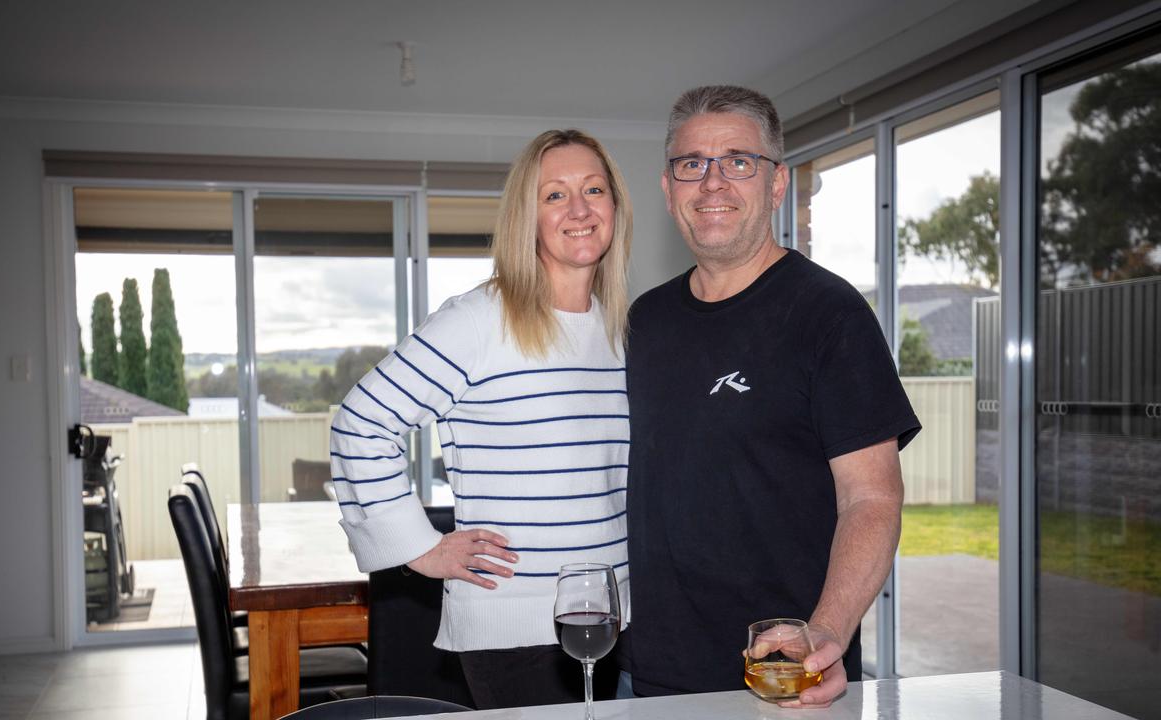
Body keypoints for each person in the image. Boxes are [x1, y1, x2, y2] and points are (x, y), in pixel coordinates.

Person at [620, 85, 921, 707]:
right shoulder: (644, 321)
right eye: (691, 164)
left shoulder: (829, 314)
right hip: (646, 668)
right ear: (668, 187)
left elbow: (872, 497)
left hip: (784, 671)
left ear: (776, 183)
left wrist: (827, 630)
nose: (712, 182)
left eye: (738, 160)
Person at [330, 129, 633, 709]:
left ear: (615, 207)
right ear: (527, 216)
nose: (578, 208)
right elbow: (360, 423)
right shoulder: (478, 320)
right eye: (554, 195)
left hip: (611, 617)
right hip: (516, 630)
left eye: (594, 189)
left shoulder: (621, 329)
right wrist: (419, 548)